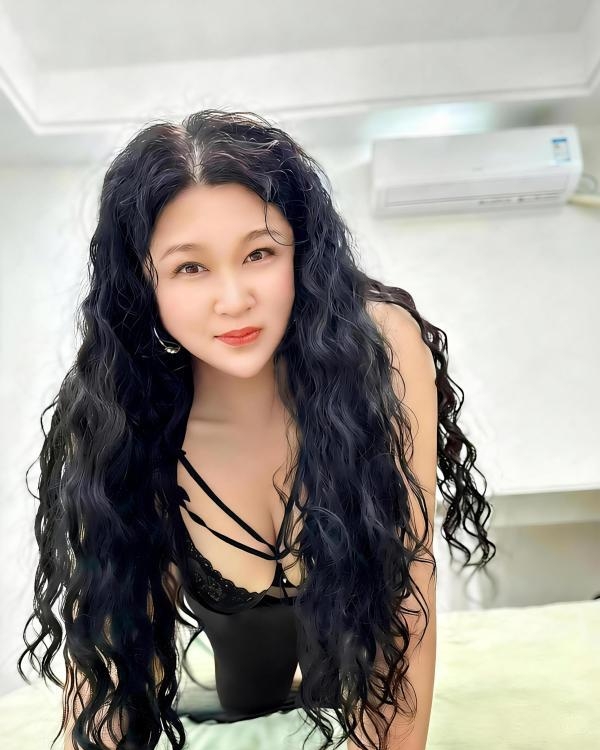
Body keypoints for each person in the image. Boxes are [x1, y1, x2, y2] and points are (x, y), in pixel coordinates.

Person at [17, 109, 496, 750]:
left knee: (344, 662)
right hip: (233, 626)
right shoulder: (117, 410)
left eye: (260, 253)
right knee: (248, 695)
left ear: (302, 251)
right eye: (190, 268)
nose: (234, 299)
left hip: (352, 605)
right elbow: (111, 637)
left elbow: (406, 583)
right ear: (143, 279)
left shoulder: (379, 345)